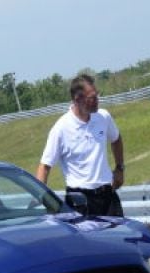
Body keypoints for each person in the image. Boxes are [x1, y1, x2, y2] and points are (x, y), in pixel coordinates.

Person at [36, 74, 125, 216]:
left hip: (107, 194)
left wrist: (120, 168)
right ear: (78, 99)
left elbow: (116, 139)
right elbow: (45, 166)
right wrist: (40, 197)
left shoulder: (103, 117)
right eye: (92, 98)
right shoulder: (61, 128)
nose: (97, 101)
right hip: (80, 200)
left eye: (97, 95)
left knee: (120, 236)